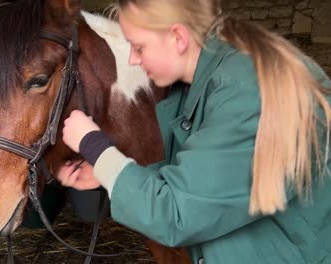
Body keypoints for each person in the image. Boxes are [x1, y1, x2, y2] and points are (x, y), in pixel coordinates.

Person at [58, 0, 331, 263]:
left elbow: (177, 213)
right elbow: (208, 180)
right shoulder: (207, 81)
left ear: (178, 37)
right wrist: (105, 173)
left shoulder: (250, 92)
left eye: (138, 47)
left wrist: (95, 146)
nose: (132, 59)